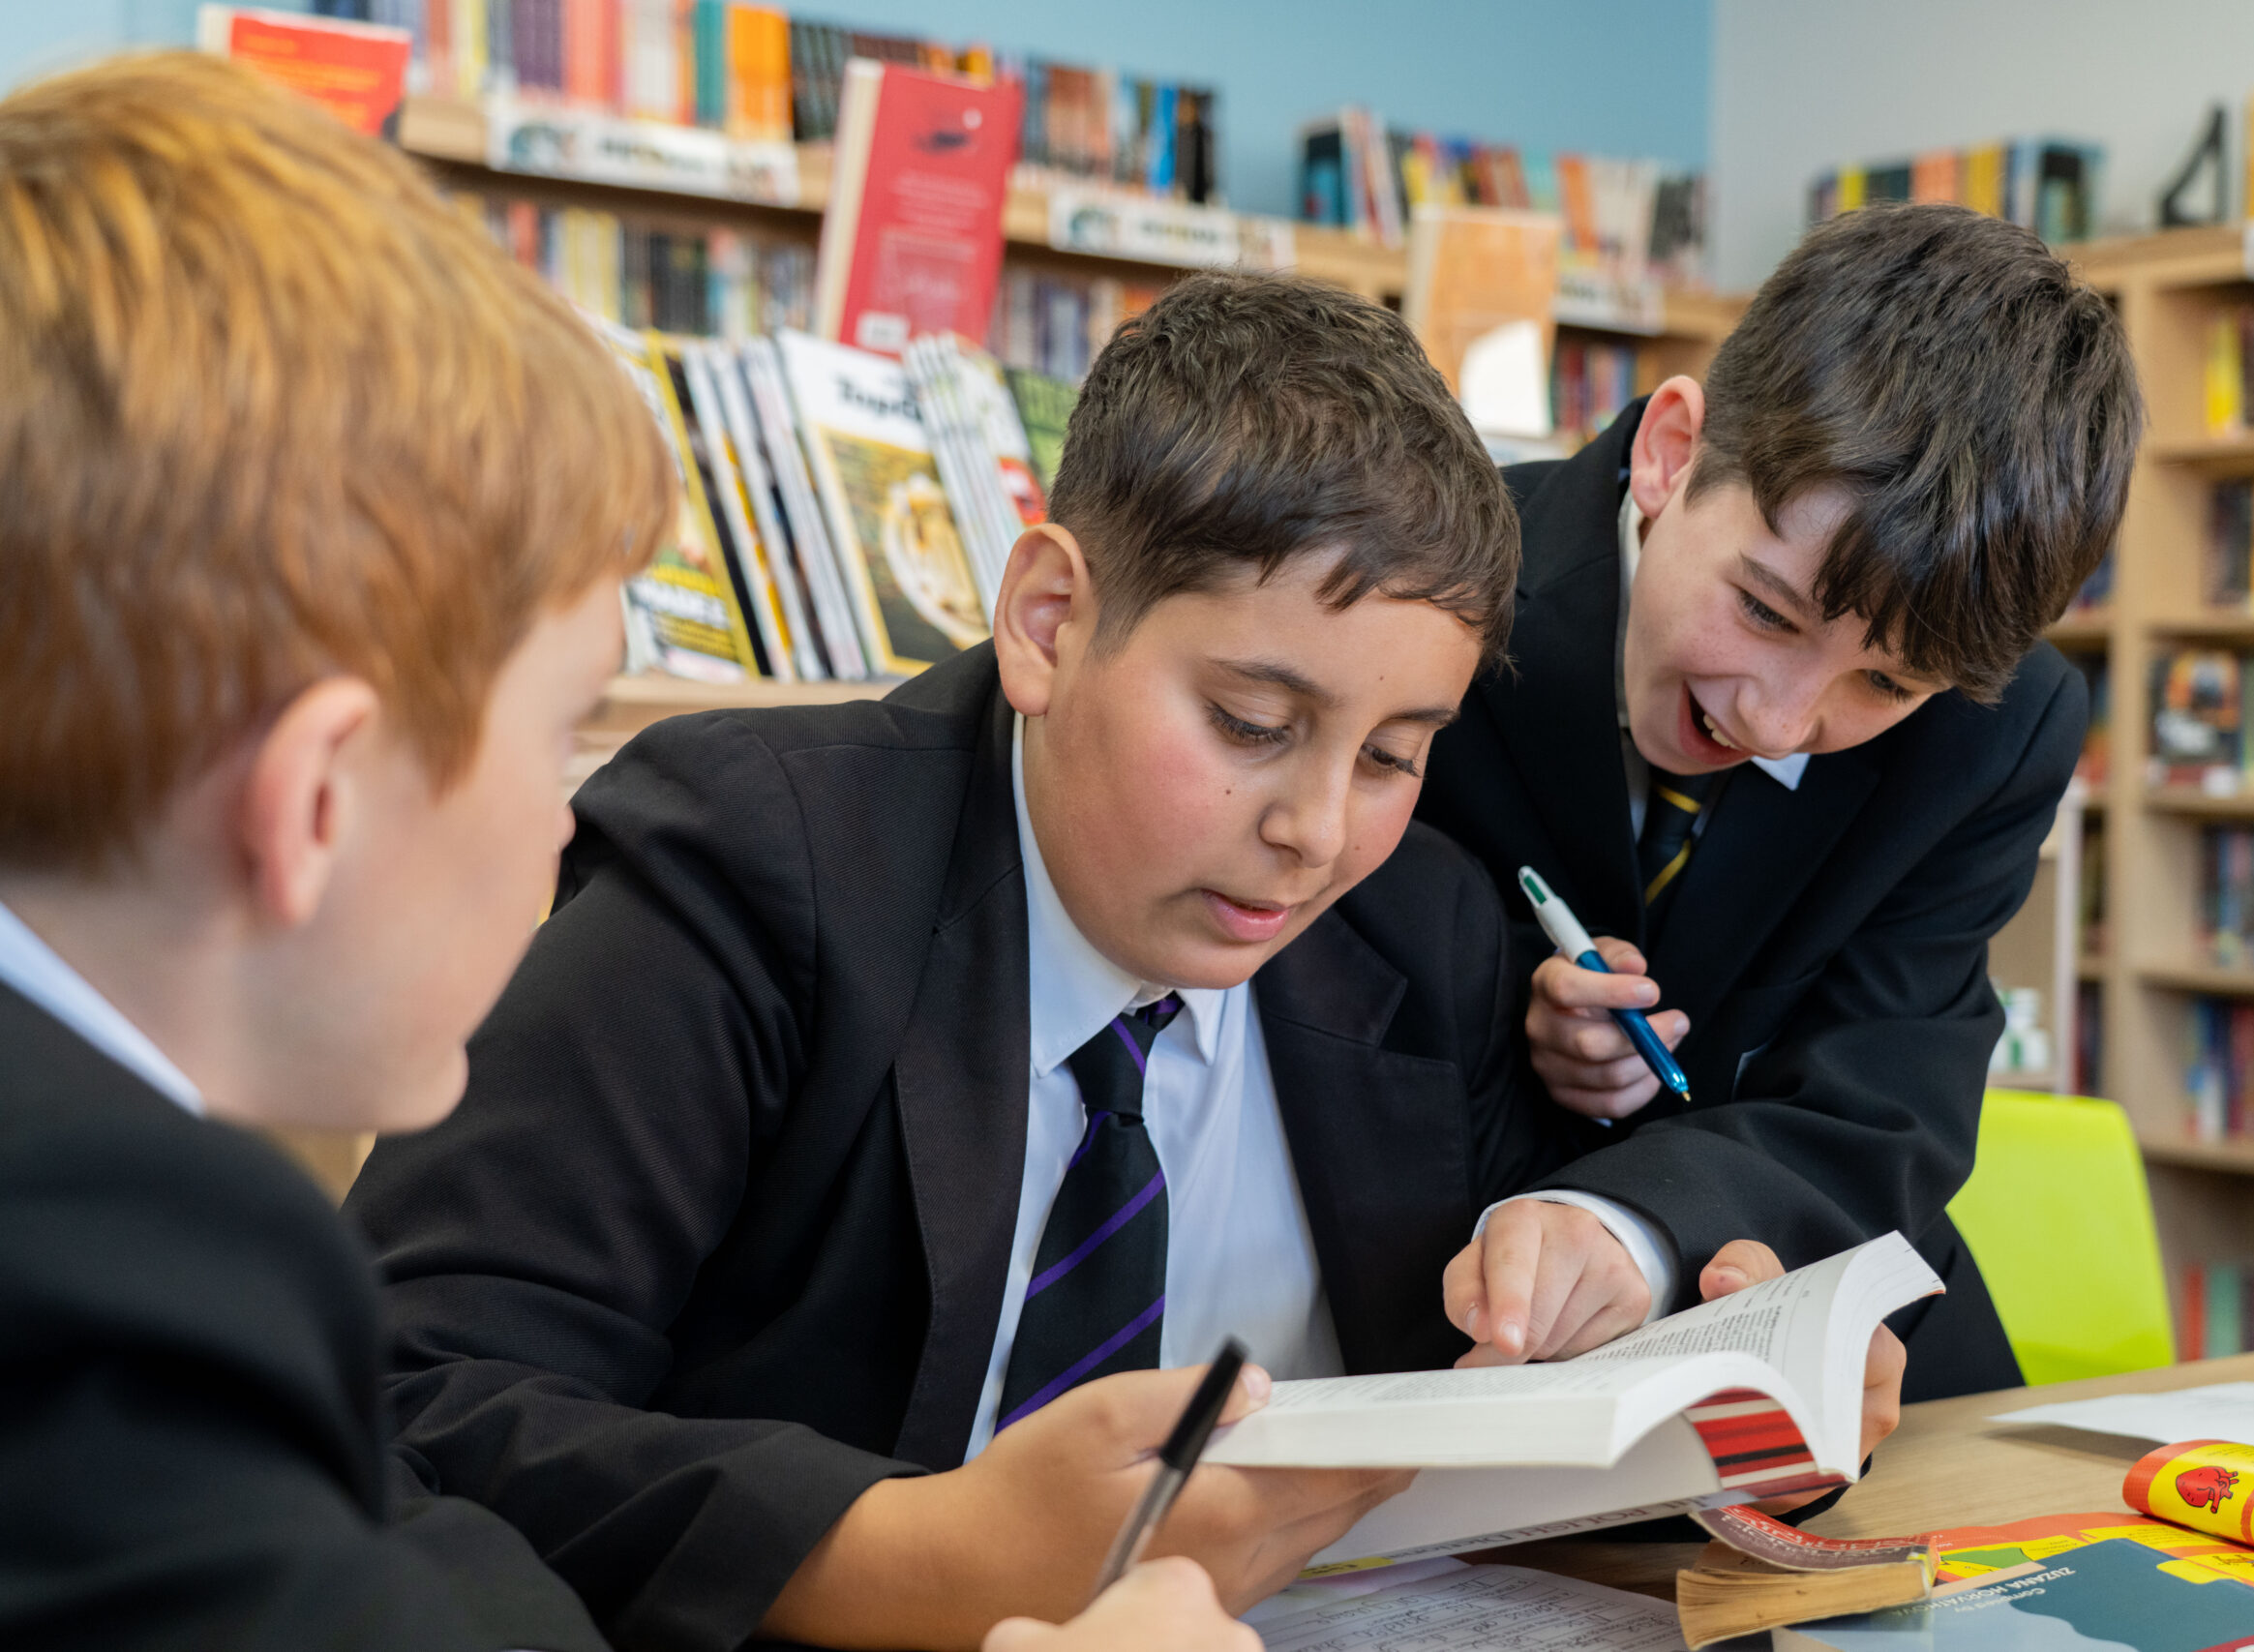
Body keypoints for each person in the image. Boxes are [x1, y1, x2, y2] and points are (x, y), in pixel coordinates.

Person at [344, 270, 1904, 1652]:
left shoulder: (1419, 930)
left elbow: (1509, 1396)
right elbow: (412, 1393)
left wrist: (1724, 1403)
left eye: (1395, 752)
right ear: (1046, 620)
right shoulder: (754, 864)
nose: (1315, 833)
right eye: (1250, 723)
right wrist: (910, 1552)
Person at [0, 51, 1256, 1652]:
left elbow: (404, 1551)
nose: (563, 819)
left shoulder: (144, 1236)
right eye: (558, 732)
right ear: (316, 799)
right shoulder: (102, 1310)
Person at [1414, 202, 2144, 1402]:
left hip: (1814, 1307)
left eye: (1884, 684)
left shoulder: (1996, 729)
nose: (1777, 723)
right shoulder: (1437, 576)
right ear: (1670, 454)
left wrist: (1640, 1230)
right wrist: (1514, 1019)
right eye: (1762, 610)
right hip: (1447, 1315)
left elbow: (1885, 1096)